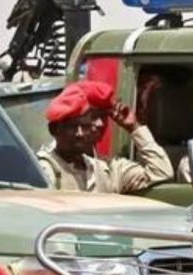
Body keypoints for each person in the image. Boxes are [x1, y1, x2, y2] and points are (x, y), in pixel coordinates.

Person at [36, 78, 173, 193]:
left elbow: (161, 172)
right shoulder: (46, 168)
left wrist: (134, 127)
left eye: (104, 116)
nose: (100, 124)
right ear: (55, 129)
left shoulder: (108, 169)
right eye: (94, 116)